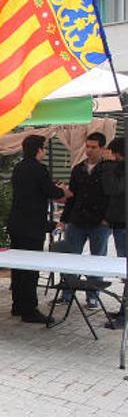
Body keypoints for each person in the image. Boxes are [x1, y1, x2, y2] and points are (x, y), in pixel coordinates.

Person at [8, 135, 69, 323]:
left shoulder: (18, 168)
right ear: (38, 150)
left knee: (18, 268)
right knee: (30, 269)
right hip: (31, 226)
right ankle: (29, 310)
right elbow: (49, 192)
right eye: (44, 148)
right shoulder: (39, 168)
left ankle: (18, 305)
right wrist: (63, 191)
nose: (45, 152)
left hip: (17, 224)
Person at [59, 132, 110, 308]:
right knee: (70, 258)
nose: (89, 150)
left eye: (93, 147)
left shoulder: (108, 169)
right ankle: (67, 293)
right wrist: (64, 219)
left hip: (99, 222)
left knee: (97, 259)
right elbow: (71, 197)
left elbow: (112, 197)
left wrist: (107, 219)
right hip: (77, 220)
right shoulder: (78, 169)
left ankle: (93, 295)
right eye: (87, 146)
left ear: (102, 148)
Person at [102, 137, 126, 329]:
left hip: (124, 224)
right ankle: (123, 311)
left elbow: (113, 188)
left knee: (125, 270)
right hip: (120, 223)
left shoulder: (120, 168)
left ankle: (124, 316)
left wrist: (108, 167)